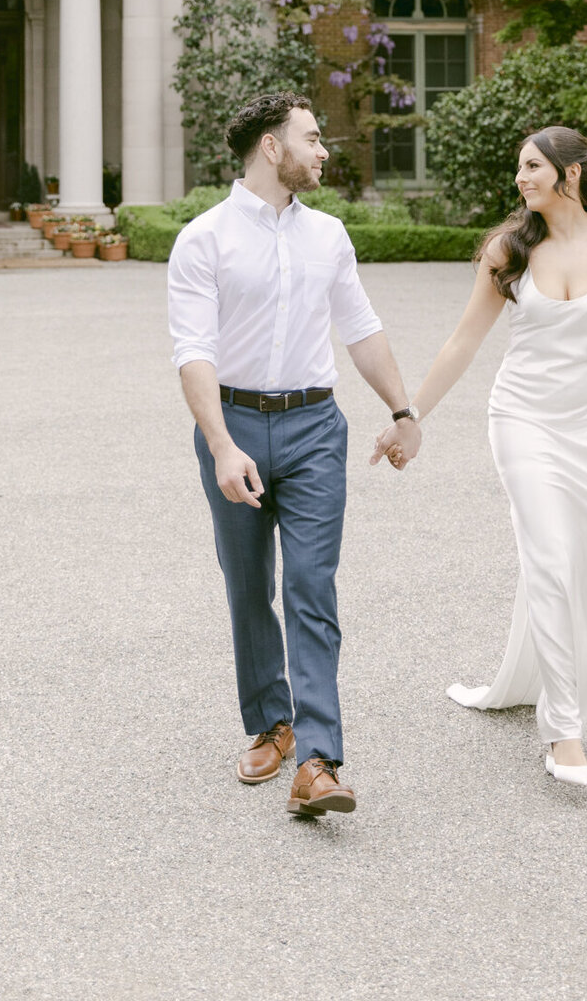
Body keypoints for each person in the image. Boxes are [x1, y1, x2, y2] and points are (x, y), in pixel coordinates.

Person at [372, 125, 587, 787]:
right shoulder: (508, 250)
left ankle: (533, 677)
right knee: (551, 559)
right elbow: (464, 342)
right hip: (524, 421)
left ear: (571, 174)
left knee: (580, 564)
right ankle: (563, 731)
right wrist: (408, 416)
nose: (521, 178)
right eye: (520, 168)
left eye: (533, 167)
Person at [168, 91, 418, 818]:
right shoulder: (204, 239)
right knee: (249, 586)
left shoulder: (329, 236)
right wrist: (220, 445)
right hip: (234, 423)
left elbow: (361, 329)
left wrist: (402, 412)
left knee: (311, 586)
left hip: (314, 428)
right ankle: (270, 722)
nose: (324, 150)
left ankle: (317, 758)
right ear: (271, 148)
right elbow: (194, 352)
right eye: (312, 138)